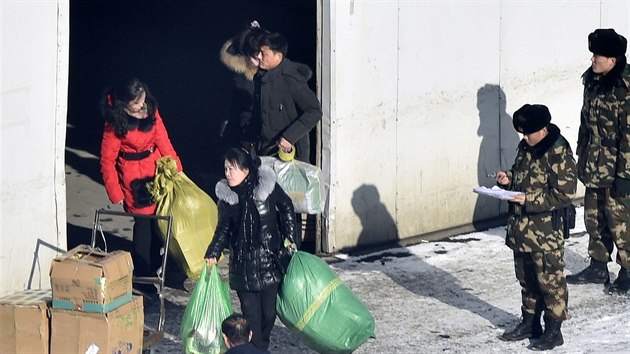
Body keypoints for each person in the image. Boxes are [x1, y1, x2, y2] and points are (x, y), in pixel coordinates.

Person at [495, 104, 577, 350]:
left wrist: (528, 199)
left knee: (550, 282)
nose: (524, 137)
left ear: (542, 129)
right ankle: (530, 322)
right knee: (527, 279)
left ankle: (554, 329)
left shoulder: (558, 151)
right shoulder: (526, 147)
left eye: (528, 133)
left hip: (545, 234)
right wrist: (509, 180)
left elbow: (565, 194)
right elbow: (524, 177)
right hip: (521, 229)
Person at [205, 147, 297, 351]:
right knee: (251, 316)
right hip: (242, 266)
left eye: (232, 169)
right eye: (226, 169)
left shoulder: (267, 188)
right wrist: (213, 251)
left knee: (269, 314)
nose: (228, 174)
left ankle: (259, 348)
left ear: (246, 170)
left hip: (269, 261)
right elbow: (222, 230)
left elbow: (287, 207)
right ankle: (257, 349)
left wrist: (291, 237)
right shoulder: (227, 200)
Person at [99, 78, 183, 295]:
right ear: (125, 104)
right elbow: (107, 159)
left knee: (159, 225)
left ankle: (156, 268)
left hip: (156, 171)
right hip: (133, 177)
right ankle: (142, 275)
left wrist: (176, 168)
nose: (142, 106)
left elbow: (163, 140)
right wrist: (114, 190)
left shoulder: (151, 112)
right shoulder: (115, 122)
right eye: (137, 103)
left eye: (143, 100)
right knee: (144, 226)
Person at [567, 28, 630, 295]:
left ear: (613, 60)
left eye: (599, 55)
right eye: (593, 54)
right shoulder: (592, 81)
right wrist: (582, 153)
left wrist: (626, 174)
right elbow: (585, 122)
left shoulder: (624, 88)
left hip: (617, 164)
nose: (593, 59)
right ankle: (598, 265)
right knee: (594, 216)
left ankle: (627, 271)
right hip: (594, 162)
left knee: (620, 220)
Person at [241, 27, 322, 162]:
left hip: (291, 155)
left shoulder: (291, 79)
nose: (259, 57)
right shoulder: (260, 77)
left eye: (263, 53)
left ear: (278, 56)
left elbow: (314, 111)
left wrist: (290, 137)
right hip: (266, 153)